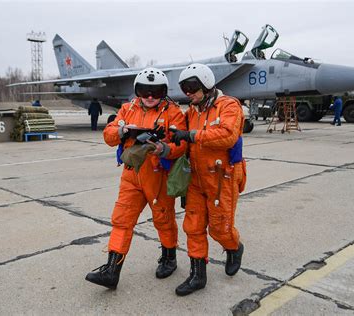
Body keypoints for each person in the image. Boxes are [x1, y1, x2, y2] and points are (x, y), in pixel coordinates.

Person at [85, 67, 187, 289]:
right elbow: (109, 136)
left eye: (156, 92)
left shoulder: (173, 112)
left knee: (163, 218)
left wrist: (164, 148)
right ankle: (111, 271)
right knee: (121, 220)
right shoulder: (126, 109)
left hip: (158, 175)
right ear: (137, 91)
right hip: (132, 175)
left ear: (163, 92)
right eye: (144, 91)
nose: (150, 97)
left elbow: (182, 144)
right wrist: (122, 132)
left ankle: (169, 258)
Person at [170, 63, 247, 296]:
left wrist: (193, 135)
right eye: (185, 88)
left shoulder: (229, 106)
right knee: (192, 227)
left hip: (221, 177)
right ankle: (197, 275)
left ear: (206, 83)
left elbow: (227, 135)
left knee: (219, 229)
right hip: (196, 179)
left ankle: (234, 247)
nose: (189, 93)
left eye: (192, 87)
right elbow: (179, 134)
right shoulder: (192, 111)